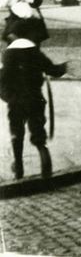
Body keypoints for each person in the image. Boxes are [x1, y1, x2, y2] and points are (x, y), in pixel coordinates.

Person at [0, 16, 67, 179]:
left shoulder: (7, 55)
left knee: (17, 133)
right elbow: (54, 70)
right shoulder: (36, 53)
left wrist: (7, 96)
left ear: (14, 36)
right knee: (38, 132)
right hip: (35, 99)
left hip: (16, 101)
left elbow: (2, 78)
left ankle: (19, 168)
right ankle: (45, 162)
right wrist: (65, 66)